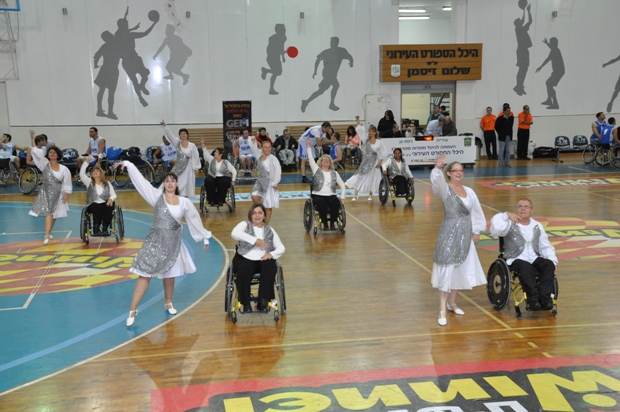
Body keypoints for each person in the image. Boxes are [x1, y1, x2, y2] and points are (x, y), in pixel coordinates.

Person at [113, 161, 211, 327]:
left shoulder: (184, 202)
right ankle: (132, 309)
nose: (170, 183)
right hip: (154, 242)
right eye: (167, 181)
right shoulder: (156, 197)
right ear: (164, 184)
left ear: (177, 183)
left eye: (173, 181)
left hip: (173, 243)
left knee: (169, 275)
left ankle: (168, 302)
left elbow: (193, 218)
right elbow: (142, 182)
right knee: (144, 274)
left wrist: (204, 236)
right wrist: (129, 165)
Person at [431, 153, 486, 326]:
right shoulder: (445, 188)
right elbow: (436, 183)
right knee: (447, 267)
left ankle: (452, 303)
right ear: (449, 173)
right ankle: (442, 308)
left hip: (465, 233)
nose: (459, 173)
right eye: (455, 170)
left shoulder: (469, 191)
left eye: (461, 170)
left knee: (460, 268)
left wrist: (476, 231)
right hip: (449, 232)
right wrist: (437, 168)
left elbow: (477, 212)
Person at [490, 199, 558, 311]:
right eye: (520, 206)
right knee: (525, 267)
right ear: (515, 210)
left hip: (534, 258)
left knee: (548, 265)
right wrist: (506, 215)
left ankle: (544, 299)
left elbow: (545, 246)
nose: (523, 209)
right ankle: (532, 300)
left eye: (526, 207)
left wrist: (553, 261)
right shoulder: (508, 224)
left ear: (532, 211)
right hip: (515, 258)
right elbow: (495, 229)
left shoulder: (537, 225)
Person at [231, 203, 285, 313]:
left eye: (260, 213)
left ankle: (263, 300)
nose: (257, 215)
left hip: (262, 258)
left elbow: (281, 248)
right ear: (250, 215)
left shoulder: (270, 230)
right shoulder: (244, 225)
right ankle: (245, 303)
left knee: (270, 266)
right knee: (243, 269)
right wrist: (255, 241)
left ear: (264, 216)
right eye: (254, 213)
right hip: (245, 257)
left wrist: (271, 254)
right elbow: (234, 233)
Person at [28, 133, 73, 245]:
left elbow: (67, 182)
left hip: (59, 194)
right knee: (49, 213)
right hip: (46, 193)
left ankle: (49, 232)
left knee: (54, 214)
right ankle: (47, 235)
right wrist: (32, 139)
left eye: (54, 152)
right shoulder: (44, 164)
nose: (52, 154)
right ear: (48, 155)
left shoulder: (64, 169)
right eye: (50, 152)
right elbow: (36, 153)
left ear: (58, 155)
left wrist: (67, 193)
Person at [301, 37, 353, 113]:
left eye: (333, 42)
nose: (331, 44)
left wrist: (351, 62)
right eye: (330, 42)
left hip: (332, 74)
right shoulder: (326, 52)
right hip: (327, 73)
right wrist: (315, 71)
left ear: (336, 43)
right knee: (336, 85)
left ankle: (306, 102)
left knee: (321, 91)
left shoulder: (341, 51)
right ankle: (331, 104)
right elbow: (317, 60)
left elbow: (349, 56)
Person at [345, 116, 387, 202]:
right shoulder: (366, 139)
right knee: (360, 176)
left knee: (372, 177)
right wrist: (358, 121)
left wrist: (380, 162)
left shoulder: (379, 142)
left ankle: (370, 195)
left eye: (372, 131)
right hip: (365, 161)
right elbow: (360, 131)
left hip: (374, 161)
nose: (370, 133)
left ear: (375, 133)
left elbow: (384, 152)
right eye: (369, 131)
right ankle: (355, 194)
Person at [306, 139, 346, 230]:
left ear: (330, 162)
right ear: (321, 162)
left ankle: (333, 223)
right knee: (321, 203)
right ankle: (324, 223)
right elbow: (311, 158)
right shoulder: (316, 170)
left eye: (328, 160)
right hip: (318, 194)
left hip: (330, 194)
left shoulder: (334, 173)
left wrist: (343, 197)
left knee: (335, 202)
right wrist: (308, 146)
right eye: (324, 160)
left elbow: (342, 185)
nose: (326, 161)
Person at [160, 120, 201, 198]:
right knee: (174, 179)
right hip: (178, 167)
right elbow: (170, 136)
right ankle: (173, 195)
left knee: (187, 184)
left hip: (188, 167)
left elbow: (196, 156)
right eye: (181, 133)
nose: (183, 135)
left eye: (184, 133)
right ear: (179, 136)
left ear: (187, 135)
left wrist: (196, 167)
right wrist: (165, 126)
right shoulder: (177, 143)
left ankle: (185, 199)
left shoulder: (192, 145)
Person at [80, 159, 117, 236]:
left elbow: (114, 195)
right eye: (93, 171)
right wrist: (86, 163)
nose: (95, 172)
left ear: (101, 174)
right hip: (93, 203)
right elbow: (82, 174)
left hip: (105, 202)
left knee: (109, 207)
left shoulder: (107, 183)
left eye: (97, 171)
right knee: (97, 208)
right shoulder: (89, 182)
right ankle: (96, 229)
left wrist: (110, 199)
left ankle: (105, 228)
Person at [249, 138, 281, 224]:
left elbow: (278, 171)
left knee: (268, 206)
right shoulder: (259, 155)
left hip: (269, 183)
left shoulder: (273, 158)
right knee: (254, 195)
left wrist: (275, 183)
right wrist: (253, 141)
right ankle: (262, 212)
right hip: (260, 180)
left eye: (269, 147)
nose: (267, 149)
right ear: (262, 148)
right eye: (265, 147)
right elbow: (253, 147)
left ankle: (265, 225)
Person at [200, 142, 237, 207]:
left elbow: (234, 171)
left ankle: (221, 200)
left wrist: (233, 180)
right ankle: (211, 200)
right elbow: (205, 154)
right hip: (213, 177)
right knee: (209, 181)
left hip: (223, 177)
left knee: (224, 182)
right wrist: (203, 144)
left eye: (216, 152)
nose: (214, 153)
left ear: (220, 154)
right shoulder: (211, 159)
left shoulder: (226, 162)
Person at [536, 37, 565, 110]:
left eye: (551, 43)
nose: (550, 45)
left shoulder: (555, 51)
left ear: (554, 44)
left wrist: (540, 67)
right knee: (548, 83)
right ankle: (549, 100)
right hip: (557, 71)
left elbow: (548, 59)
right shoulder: (555, 49)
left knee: (549, 84)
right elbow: (551, 47)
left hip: (559, 72)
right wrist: (546, 43)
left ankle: (555, 103)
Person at [261, 24, 287, 95]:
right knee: (277, 72)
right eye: (284, 29)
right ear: (279, 30)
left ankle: (266, 71)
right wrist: (286, 52)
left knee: (277, 72)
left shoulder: (283, 38)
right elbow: (274, 50)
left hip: (274, 57)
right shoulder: (273, 38)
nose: (285, 30)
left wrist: (283, 56)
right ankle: (271, 89)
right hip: (272, 57)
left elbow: (281, 47)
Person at [514, 3, 533, 96]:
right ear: (517, 24)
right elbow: (524, 20)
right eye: (519, 21)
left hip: (524, 50)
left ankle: (520, 86)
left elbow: (530, 21)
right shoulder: (518, 29)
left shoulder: (522, 29)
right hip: (521, 51)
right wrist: (525, 10)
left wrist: (528, 11)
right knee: (522, 69)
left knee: (524, 69)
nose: (521, 21)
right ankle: (518, 87)